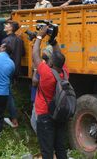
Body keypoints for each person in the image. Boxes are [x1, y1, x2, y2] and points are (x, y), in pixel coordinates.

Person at [32, 26, 69, 159]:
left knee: (46, 150)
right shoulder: (64, 73)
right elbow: (59, 56)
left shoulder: (47, 73)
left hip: (45, 115)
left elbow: (35, 55)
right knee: (60, 147)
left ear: (51, 63)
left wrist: (39, 36)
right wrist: (53, 42)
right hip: (59, 114)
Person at [1, 20, 25, 128]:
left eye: (7, 25)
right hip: (16, 70)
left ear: (11, 28)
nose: (5, 25)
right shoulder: (19, 40)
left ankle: (14, 118)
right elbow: (23, 53)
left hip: (6, 69)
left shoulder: (6, 40)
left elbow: (2, 55)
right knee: (8, 92)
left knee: (8, 94)